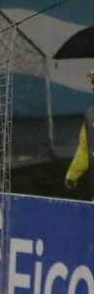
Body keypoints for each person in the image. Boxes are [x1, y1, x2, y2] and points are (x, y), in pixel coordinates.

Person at [63, 70, 94, 198]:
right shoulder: (90, 114)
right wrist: (73, 174)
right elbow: (84, 148)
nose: (92, 86)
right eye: (93, 82)